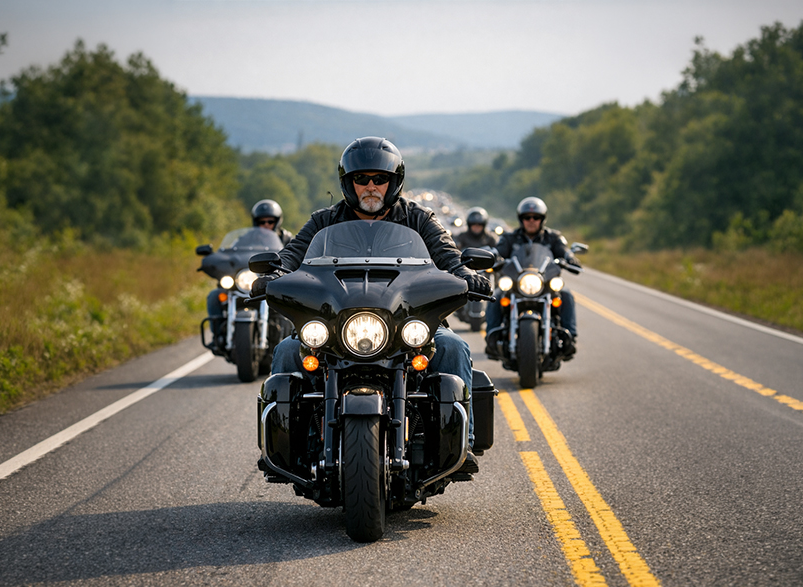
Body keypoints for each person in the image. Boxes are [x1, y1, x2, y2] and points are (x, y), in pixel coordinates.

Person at [251, 137, 491, 474]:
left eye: (379, 179)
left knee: (453, 348)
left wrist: (466, 275)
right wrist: (273, 274)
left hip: (406, 322)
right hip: (336, 322)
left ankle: (462, 443)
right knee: (287, 352)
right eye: (361, 179)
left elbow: (448, 256)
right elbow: (291, 256)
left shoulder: (420, 219)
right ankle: (285, 446)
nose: (371, 187)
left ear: (394, 182)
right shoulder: (324, 221)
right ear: (348, 183)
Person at [485, 196, 579, 359]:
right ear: (521, 219)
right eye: (527, 217)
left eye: (536, 217)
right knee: (496, 296)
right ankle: (491, 338)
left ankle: (570, 337)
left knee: (566, 295)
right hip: (517, 283)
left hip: (545, 284)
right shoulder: (510, 238)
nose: (531, 221)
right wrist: (493, 257)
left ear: (542, 219)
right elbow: (498, 252)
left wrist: (570, 258)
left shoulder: (553, 237)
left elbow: (564, 250)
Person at [206, 199, 295, 346]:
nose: (266, 225)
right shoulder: (245, 238)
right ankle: (218, 338)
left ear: (277, 222)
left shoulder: (288, 240)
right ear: (256, 222)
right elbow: (230, 253)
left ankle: (292, 340)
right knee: (214, 296)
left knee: (293, 299)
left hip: (274, 283)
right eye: (262, 222)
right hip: (246, 282)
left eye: (270, 221)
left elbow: (297, 254)